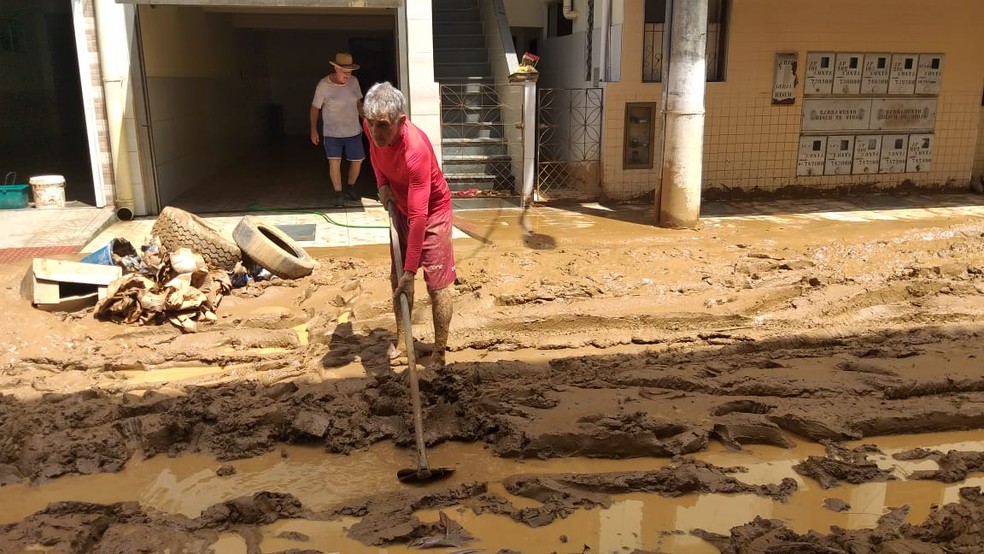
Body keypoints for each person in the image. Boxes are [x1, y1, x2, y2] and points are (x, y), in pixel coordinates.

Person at [362, 82, 455, 371]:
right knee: (397, 279)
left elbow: (419, 218)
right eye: (370, 124)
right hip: (400, 203)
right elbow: (376, 155)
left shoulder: (415, 151)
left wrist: (411, 271)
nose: (375, 133)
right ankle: (404, 342)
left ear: (401, 122)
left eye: (382, 126)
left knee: (437, 285)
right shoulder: (371, 127)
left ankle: (439, 351)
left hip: (432, 210)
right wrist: (382, 184)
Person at [310, 52, 364, 208]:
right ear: (335, 68)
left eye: (350, 71)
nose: (347, 74)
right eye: (344, 71)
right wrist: (313, 129)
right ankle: (338, 193)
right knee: (334, 162)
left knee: (358, 160)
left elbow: (358, 102)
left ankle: (350, 187)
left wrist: (364, 116)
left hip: (353, 130)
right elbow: (314, 108)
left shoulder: (354, 82)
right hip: (332, 133)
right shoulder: (324, 85)